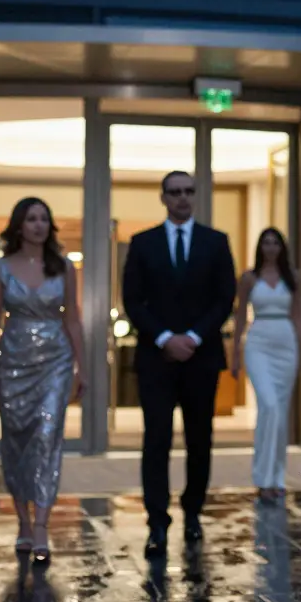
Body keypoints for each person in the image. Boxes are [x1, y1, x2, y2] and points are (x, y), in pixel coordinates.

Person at [122, 170, 236, 558]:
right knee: (156, 440)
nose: (182, 198)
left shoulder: (216, 242)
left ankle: (192, 513)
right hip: (156, 358)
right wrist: (165, 338)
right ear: (163, 197)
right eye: (175, 192)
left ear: (195, 195)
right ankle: (157, 522)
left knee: (199, 439)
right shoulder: (142, 243)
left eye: (189, 190)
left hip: (201, 357)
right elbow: (133, 300)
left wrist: (193, 337)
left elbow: (225, 299)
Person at [0, 198, 85, 564]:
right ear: (19, 226)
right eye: (31, 219)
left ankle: (42, 524)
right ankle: (23, 520)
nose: (39, 225)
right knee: (16, 439)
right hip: (13, 361)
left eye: (44, 218)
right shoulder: (1, 269)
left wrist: (81, 367)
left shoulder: (64, 268)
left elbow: (73, 318)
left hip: (55, 360)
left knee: (46, 434)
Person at [231, 228, 301, 504]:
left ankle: (276, 478)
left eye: (276, 242)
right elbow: (240, 317)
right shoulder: (249, 278)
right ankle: (262, 477)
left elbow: (298, 316)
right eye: (266, 242)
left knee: (280, 411)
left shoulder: (293, 277)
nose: (271, 247)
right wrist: (235, 355)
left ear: (282, 247)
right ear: (260, 246)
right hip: (258, 343)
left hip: (285, 343)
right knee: (269, 407)